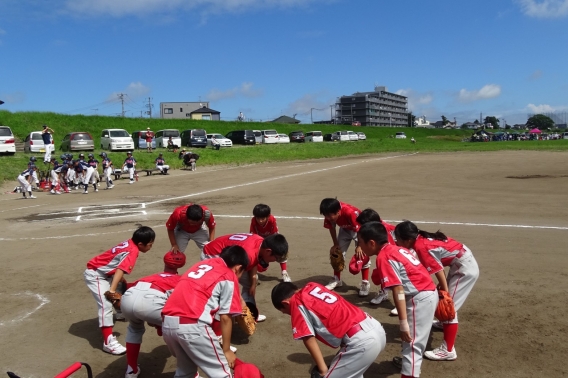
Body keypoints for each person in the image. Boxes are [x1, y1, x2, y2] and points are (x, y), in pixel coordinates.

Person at [358, 222, 438, 378]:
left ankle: (410, 372)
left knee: (411, 345)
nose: (360, 246)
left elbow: (398, 290)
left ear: (372, 243)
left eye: (361, 242)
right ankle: (412, 367)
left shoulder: (384, 256)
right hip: (427, 292)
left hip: (419, 298)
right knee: (414, 344)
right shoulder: (396, 248)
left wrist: (403, 324)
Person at [394, 221, 479, 361]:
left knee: (449, 309)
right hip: (460, 263)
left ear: (408, 240)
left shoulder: (420, 247)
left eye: (398, 239)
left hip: (464, 269)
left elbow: (439, 271)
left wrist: (445, 295)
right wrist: (443, 286)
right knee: (445, 305)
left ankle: (448, 350)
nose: (396, 242)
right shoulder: (420, 238)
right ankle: (442, 323)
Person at [161, 245, 249, 378]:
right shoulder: (228, 275)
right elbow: (225, 317)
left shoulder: (204, 263)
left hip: (167, 323)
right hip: (192, 326)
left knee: (185, 372)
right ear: (238, 268)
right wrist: (226, 349)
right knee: (222, 373)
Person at [271, 281, 386, 378]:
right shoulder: (312, 286)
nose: (289, 314)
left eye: (285, 311)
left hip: (362, 342)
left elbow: (308, 338)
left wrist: (323, 370)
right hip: (375, 328)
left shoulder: (295, 302)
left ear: (285, 303)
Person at [83, 226, 155, 355]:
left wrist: (119, 282)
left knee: (123, 285)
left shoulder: (130, 242)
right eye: (149, 244)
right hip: (96, 275)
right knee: (105, 305)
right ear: (140, 244)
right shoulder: (133, 251)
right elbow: (120, 269)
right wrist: (111, 290)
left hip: (104, 272)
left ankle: (121, 312)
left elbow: (117, 264)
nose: (151, 247)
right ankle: (108, 342)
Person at [121, 251, 186, 378]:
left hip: (128, 298)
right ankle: (189, 373)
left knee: (134, 329)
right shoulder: (181, 279)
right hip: (151, 301)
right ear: (182, 264)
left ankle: (131, 370)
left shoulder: (150, 276)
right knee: (181, 329)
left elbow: (127, 287)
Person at [201, 233, 289, 323]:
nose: (275, 260)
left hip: (232, 257)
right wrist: (240, 301)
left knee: (250, 283)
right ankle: (216, 320)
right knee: (222, 289)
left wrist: (253, 283)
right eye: (276, 258)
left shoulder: (260, 243)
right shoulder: (249, 254)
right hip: (213, 255)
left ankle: (249, 313)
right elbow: (231, 279)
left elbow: (254, 261)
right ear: (268, 251)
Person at [319, 198, 370, 296]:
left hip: (361, 231)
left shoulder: (350, 213)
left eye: (330, 216)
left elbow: (359, 230)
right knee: (337, 253)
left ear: (338, 212)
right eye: (326, 215)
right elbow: (331, 227)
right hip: (345, 229)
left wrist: (360, 246)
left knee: (362, 255)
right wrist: (335, 244)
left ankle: (365, 282)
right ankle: (337, 279)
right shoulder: (329, 213)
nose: (328, 218)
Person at [355, 208, 397, 305]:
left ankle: (401, 302)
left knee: (396, 275)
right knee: (381, 273)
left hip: (401, 252)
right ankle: (385, 293)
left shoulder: (384, 231)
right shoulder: (377, 228)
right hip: (395, 251)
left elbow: (391, 250)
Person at [249, 204, 291, 282]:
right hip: (259, 239)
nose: (260, 221)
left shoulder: (272, 220)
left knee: (280, 252)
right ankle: (253, 274)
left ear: (268, 216)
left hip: (271, 238)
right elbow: (253, 235)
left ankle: (284, 272)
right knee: (254, 254)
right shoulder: (253, 221)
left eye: (262, 218)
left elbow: (274, 235)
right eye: (258, 218)